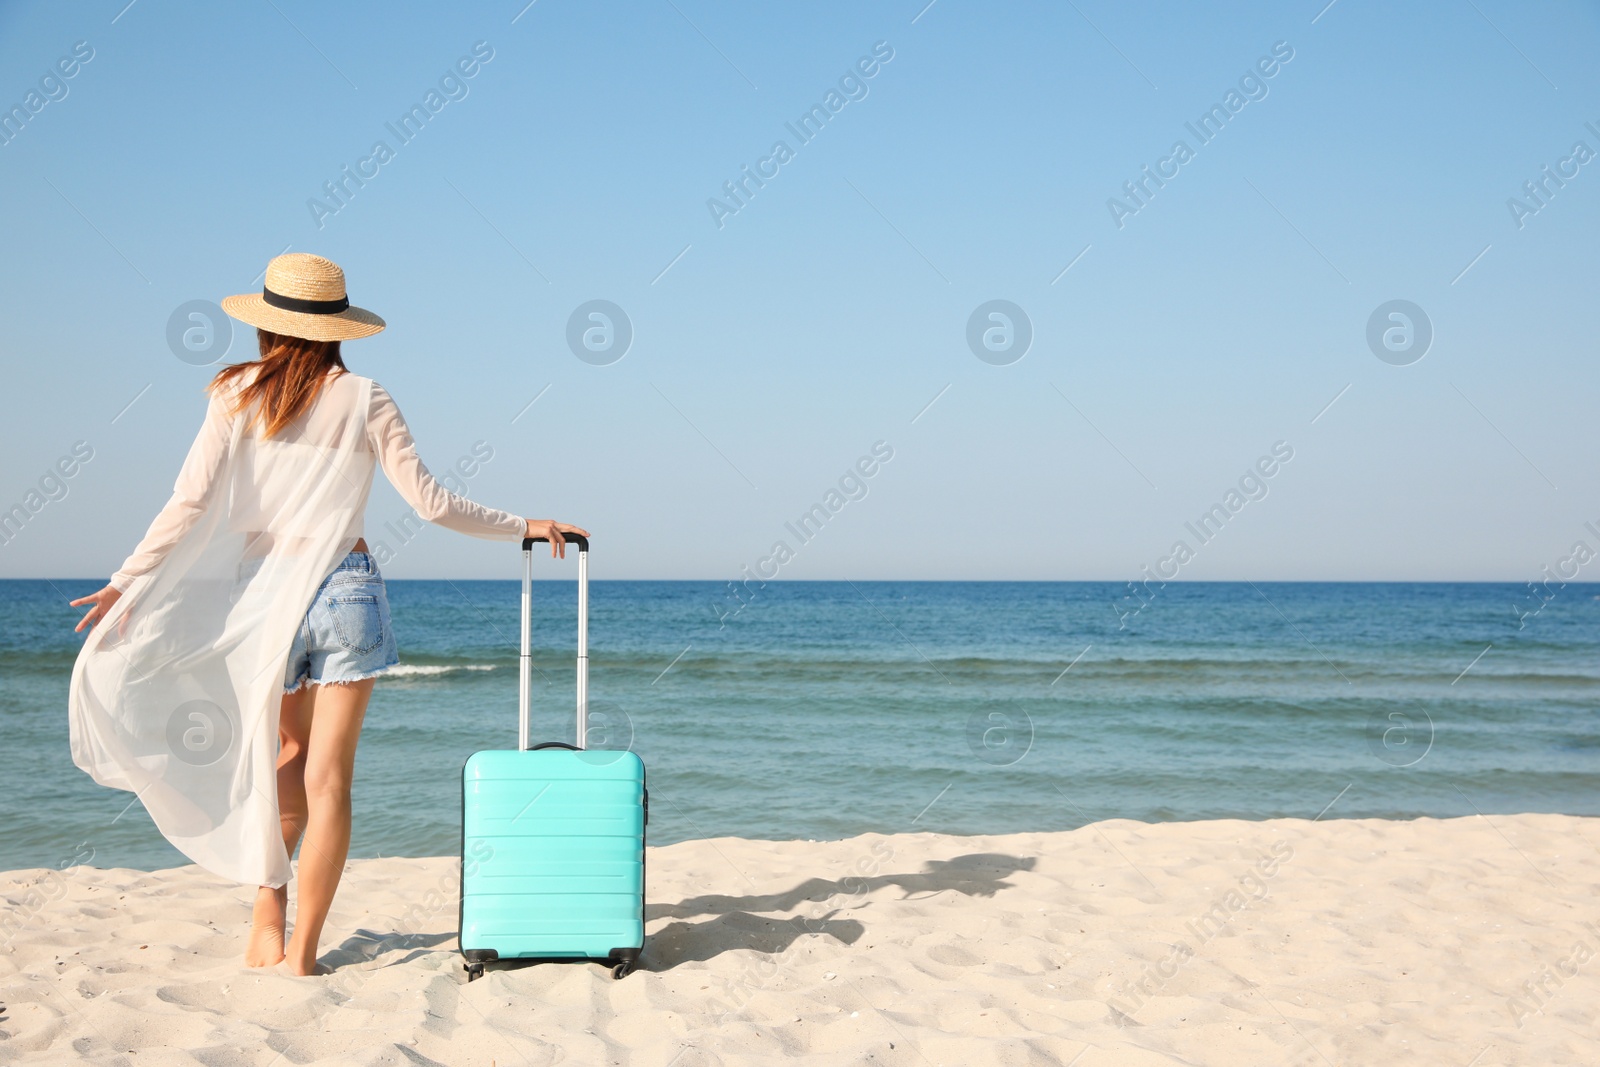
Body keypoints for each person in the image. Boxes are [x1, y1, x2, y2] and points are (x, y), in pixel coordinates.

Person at [67, 252, 587, 976]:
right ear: (338, 327)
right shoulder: (367, 397)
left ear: (266, 326)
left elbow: (187, 504)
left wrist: (127, 580)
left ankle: (267, 914)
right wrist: (522, 523)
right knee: (330, 778)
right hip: (346, 591)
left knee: (282, 757)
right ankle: (303, 956)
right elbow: (432, 503)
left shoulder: (233, 393)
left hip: (268, 597)